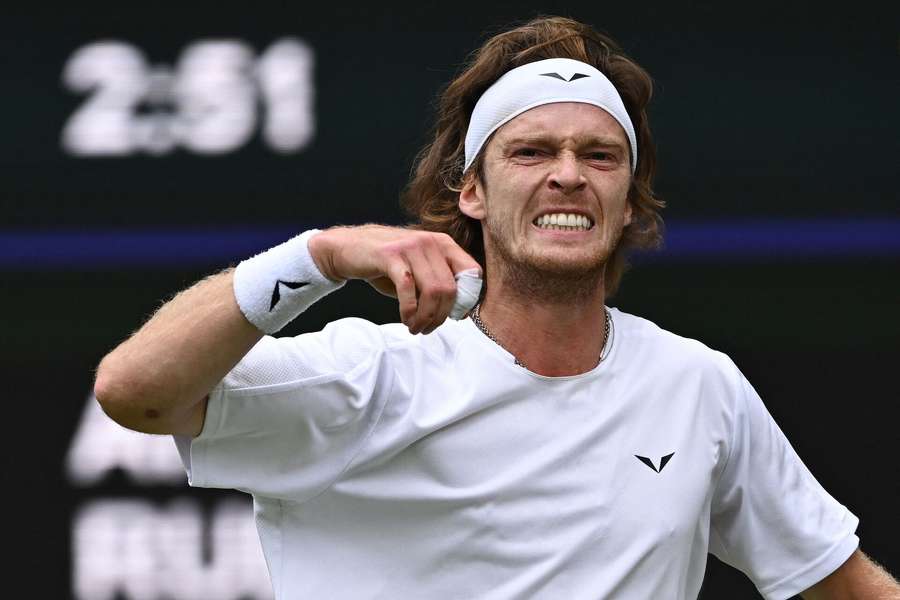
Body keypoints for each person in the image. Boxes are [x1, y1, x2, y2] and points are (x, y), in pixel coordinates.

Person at [94, 16, 898, 600]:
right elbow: (136, 391)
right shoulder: (364, 377)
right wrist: (320, 256)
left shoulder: (699, 386)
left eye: (599, 156)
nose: (569, 175)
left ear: (627, 202)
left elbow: (845, 586)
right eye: (532, 151)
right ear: (471, 193)